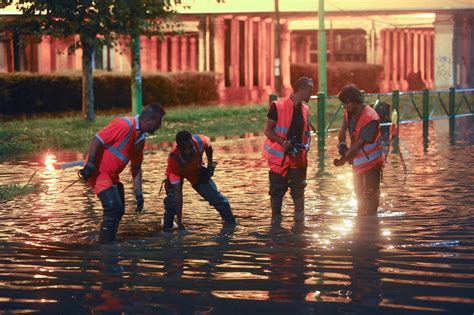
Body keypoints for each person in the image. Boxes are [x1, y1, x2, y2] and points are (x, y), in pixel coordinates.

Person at [79, 104, 166, 243]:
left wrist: (139, 193)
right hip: (98, 172)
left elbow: (136, 167)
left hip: (112, 176)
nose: (160, 126)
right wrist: (90, 165)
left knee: (119, 210)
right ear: (150, 120)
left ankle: (109, 239)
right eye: (159, 122)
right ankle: (106, 246)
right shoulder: (124, 125)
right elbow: (97, 139)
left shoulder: (141, 139)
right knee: (113, 208)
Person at [162, 131, 237, 232]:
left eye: (190, 147)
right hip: (178, 172)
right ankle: (167, 230)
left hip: (195, 171)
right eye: (184, 149)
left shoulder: (200, 141)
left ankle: (231, 226)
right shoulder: (173, 162)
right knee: (172, 202)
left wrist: (210, 163)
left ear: (193, 143)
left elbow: (209, 146)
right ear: (179, 149)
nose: (188, 151)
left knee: (219, 200)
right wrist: (180, 222)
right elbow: (178, 195)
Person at [263, 76, 313, 218]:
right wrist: (282, 142)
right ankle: (276, 224)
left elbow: (306, 132)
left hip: (298, 158)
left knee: (299, 190)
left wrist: (307, 145)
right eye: (310, 90)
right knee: (277, 192)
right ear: (302, 89)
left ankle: (299, 223)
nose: (311, 93)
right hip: (279, 159)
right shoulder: (277, 106)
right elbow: (268, 130)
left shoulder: (305, 109)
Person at [335, 84, 384, 216]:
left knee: (371, 195)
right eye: (343, 104)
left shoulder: (370, 117)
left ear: (354, 100)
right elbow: (342, 130)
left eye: (346, 103)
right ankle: (361, 224)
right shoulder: (348, 113)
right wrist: (342, 143)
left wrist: (344, 157)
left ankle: (371, 226)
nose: (345, 107)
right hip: (357, 163)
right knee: (359, 196)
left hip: (372, 163)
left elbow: (360, 142)